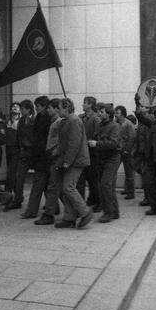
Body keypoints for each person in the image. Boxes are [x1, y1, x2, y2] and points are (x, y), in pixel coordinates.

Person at [54, 98, 94, 229]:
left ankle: (85, 212)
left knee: (68, 187)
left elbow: (74, 143)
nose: (57, 110)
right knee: (64, 188)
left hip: (75, 161)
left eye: (59, 108)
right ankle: (69, 217)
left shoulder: (74, 121)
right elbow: (64, 142)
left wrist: (67, 161)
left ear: (66, 108)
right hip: (69, 160)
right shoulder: (66, 121)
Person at [90, 103, 121, 223]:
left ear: (108, 114)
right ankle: (114, 212)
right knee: (109, 186)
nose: (99, 114)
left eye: (102, 112)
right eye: (98, 111)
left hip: (112, 158)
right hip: (102, 158)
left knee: (105, 185)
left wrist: (96, 144)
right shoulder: (100, 125)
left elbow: (113, 143)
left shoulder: (115, 126)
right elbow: (97, 137)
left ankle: (108, 213)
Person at [34, 98, 64, 225]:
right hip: (52, 158)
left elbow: (61, 141)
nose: (48, 110)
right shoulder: (53, 121)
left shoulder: (59, 122)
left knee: (56, 187)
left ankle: (49, 214)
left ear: (57, 109)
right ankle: (78, 210)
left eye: (50, 108)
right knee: (57, 187)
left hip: (56, 158)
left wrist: (54, 153)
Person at [22, 96, 52, 219]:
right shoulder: (44, 117)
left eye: (37, 106)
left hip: (41, 157)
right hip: (44, 157)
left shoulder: (43, 117)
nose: (36, 109)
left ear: (43, 106)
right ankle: (53, 207)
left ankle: (31, 210)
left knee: (38, 185)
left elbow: (39, 140)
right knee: (46, 186)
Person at [5, 100, 35, 211]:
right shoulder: (22, 121)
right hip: (23, 153)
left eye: (22, 108)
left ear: (28, 109)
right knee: (19, 177)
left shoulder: (35, 120)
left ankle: (54, 204)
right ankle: (18, 199)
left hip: (33, 153)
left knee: (42, 180)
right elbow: (19, 137)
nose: (21, 110)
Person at [78, 96, 101, 209]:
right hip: (83, 152)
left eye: (84, 103)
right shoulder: (81, 117)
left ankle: (98, 202)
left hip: (92, 153)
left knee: (93, 179)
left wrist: (90, 141)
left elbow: (98, 134)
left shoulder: (96, 119)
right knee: (85, 178)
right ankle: (91, 199)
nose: (82, 105)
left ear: (90, 105)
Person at [115, 105, 136, 200]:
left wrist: (128, 149)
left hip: (126, 151)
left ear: (122, 114)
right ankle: (127, 189)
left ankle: (130, 192)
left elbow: (132, 138)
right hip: (118, 150)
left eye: (117, 113)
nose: (115, 115)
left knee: (129, 173)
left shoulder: (128, 124)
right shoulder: (116, 123)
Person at [3, 102, 21, 194]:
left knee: (12, 172)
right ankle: (12, 194)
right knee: (10, 171)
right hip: (8, 148)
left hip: (17, 149)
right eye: (13, 106)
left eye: (17, 107)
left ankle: (8, 193)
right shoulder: (7, 120)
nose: (14, 107)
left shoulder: (21, 121)